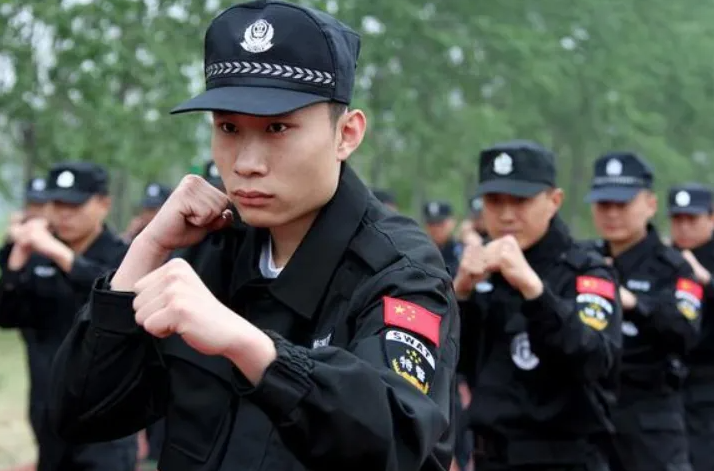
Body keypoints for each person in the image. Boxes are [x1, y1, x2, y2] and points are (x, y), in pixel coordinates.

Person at [49, 2, 460, 471]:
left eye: (277, 128)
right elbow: (80, 412)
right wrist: (147, 250)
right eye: (228, 127)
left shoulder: (398, 270)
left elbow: (400, 441)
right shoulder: (209, 248)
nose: (246, 163)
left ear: (346, 134)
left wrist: (251, 348)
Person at [456, 140, 622, 471]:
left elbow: (595, 359)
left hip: (564, 458)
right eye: (494, 201)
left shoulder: (585, 271)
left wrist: (534, 290)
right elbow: (452, 361)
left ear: (554, 201)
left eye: (520, 201)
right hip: (490, 455)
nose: (506, 215)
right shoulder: (478, 269)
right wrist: (459, 295)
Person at [0, 162, 136, 471]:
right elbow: (8, 316)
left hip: (106, 414)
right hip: (48, 407)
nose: (63, 215)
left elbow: (116, 298)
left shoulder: (126, 254)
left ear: (104, 204)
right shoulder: (37, 255)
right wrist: (16, 260)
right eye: (56, 204)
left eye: (74, 206)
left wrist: (62, 256)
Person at [585, 152, 702, 471]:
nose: (612, 213)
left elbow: (686, 332)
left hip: (651, 421)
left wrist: (636, 304)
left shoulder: (673, 266)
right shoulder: (584, 259)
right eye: (603, 204)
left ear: (650, 204)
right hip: (589, 418)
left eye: (622, 204)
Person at [667, 183, 714, 471]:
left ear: (711, 218)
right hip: (668, 385)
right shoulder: (662, 257)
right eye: (677, 219)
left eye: (692, 219)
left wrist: (706, 280)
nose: (684, 227)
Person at [0, 177, 50, 446]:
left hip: (63, 325)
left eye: (42, 204)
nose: (37, 210)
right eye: (33, 204)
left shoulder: (58, 239)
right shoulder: (22, 238)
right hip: (34, 328)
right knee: (40, 398)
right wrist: (13, 241)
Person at [423, 200, 460, 275]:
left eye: (440, 223)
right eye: (431, 223)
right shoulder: (420, 252)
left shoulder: (462, 249)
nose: (435, 228)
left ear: (452, 222)